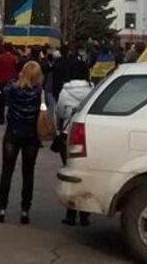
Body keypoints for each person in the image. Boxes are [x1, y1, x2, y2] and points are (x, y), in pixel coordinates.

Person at [0, 60, 43, 225]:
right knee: (28, 173)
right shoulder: (38, 92)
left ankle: (2, 208)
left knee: (7, 172)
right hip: (31, 136)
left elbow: (4, 94)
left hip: (13, 134)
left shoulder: (12, 90)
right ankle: (25, 210)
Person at [54, 78, 93, 227]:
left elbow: (59, 112)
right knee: (85, 174)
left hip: (67, 134)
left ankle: (70, 214)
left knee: (70, 173)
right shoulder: (92, 90)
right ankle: (85, 214)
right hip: (85, 134)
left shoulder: (65, 92)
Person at [0, 44, 19, 125]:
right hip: (11, 80)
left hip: (0, 80)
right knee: (12, 100)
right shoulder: (15, 58)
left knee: (1, 100)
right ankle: (11, 118)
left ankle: (1, 118)